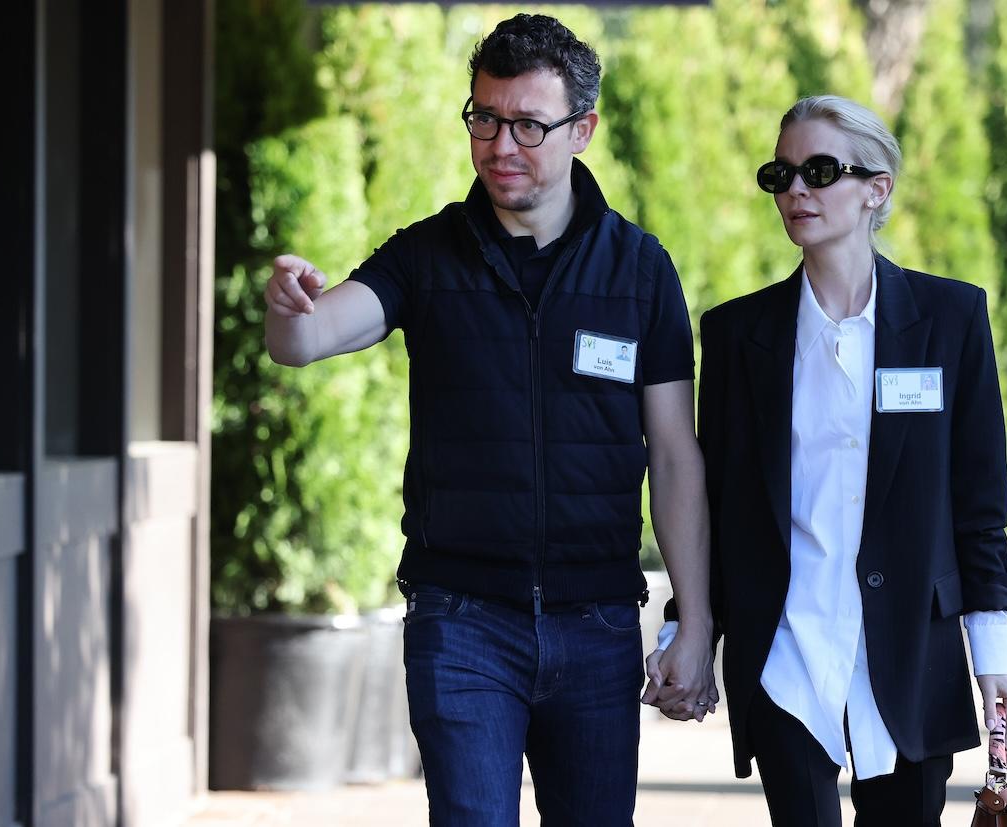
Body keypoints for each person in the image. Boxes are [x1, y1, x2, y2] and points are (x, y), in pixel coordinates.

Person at [262, 14, 715, 826]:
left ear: (583, 129)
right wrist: (287, 308)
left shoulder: (640, 270)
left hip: (598, 621)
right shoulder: (426, 258)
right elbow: (307, 340)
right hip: (462, 621)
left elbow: (675, 455)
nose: (501, 144)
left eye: (528, 125)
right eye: (484, 118)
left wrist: (695, 616)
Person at [647, 95, 1007, 826]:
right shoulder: (735, 334)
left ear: (875, 188)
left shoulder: (951, 320)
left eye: (819, 171)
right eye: (780, 174)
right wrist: (685, 629)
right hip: (786, 647)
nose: (796, 191)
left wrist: (993, 655)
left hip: (912, 651)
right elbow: (719, 506)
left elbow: (981, 505)